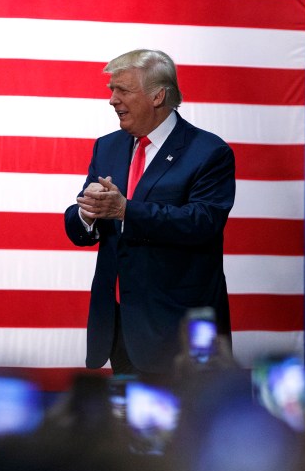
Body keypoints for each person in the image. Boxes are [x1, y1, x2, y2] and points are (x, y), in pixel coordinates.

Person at [64, 49, 236, 382]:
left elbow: (203, 222)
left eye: (123, 90)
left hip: (178, 332)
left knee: (184, 418)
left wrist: (125, 210)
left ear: (158, 96)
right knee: (129, 415)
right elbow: (79, 224)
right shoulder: (107, 147)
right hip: (119, 327)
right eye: (111, 90)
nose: (112, 100)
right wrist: (87, 213)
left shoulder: (208, 152)